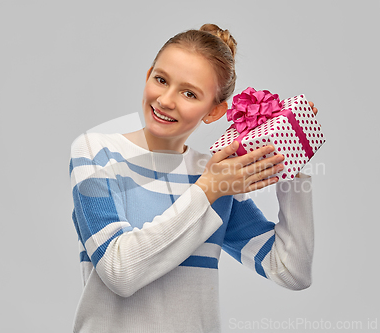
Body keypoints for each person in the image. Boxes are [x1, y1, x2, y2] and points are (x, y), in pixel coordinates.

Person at [69, 23, 318, 333]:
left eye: (189, 93)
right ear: (148, 76)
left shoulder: (214, 174)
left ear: (213, 112)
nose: (166, 100)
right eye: (161, 80)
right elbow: (120, 272)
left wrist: (290, 154)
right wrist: (208, 189)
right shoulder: (95, 152)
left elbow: (291, 271)